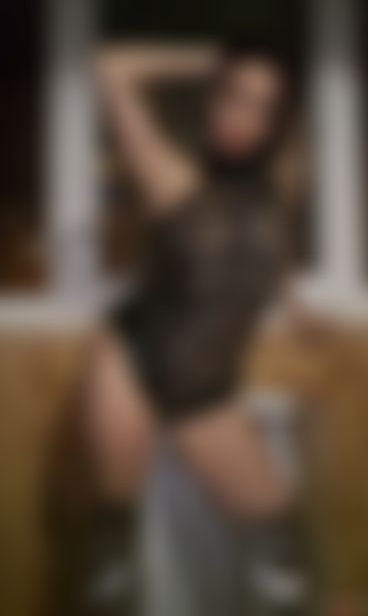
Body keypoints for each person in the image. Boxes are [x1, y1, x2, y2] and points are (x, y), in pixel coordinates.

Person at [91, 40, 303, 614]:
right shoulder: (171, 176)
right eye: (233, 96)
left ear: (276, 123)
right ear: (211, 100)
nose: (242, 117)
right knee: (111, 567)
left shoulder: (274, 189)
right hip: (132, 362)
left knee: (282, 556)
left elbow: (270, 253)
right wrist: (211, 57)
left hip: (204, 388)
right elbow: (111, 68)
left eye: (262, 107)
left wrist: (296, 302)